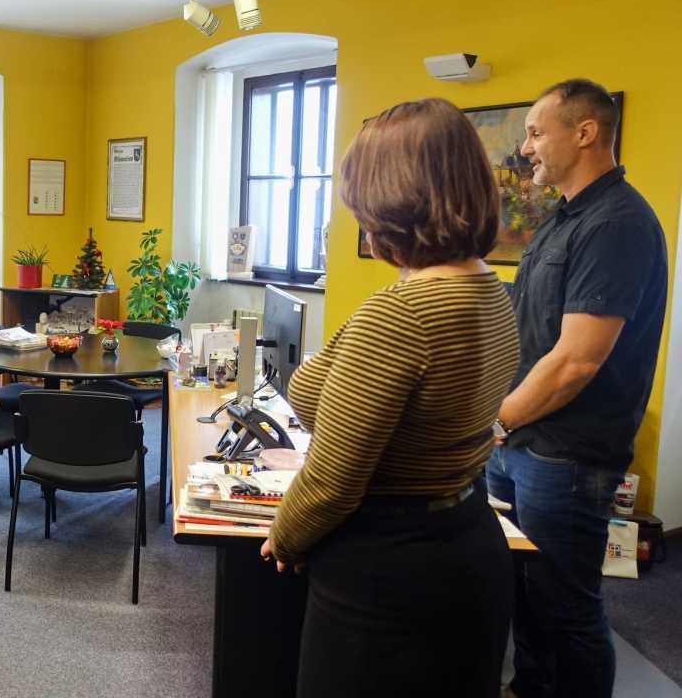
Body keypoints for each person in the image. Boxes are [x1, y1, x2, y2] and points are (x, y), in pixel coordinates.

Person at [259, 98, 520, 697]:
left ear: (392, 205)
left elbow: (333, 479)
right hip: (467, 540)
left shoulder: (400, 315)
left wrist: (287, 535)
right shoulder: (492, 291)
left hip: (388, 567)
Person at [488, 79, 668, 698]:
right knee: (524, 590)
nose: (526, 148)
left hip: (564, 454)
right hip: (520, 443)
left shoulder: (617, 224)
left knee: (565, 604)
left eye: (537, 132)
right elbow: (532, 323)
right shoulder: (563, 218)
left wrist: (497, 422)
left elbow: (576, 362)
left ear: (585, 132)